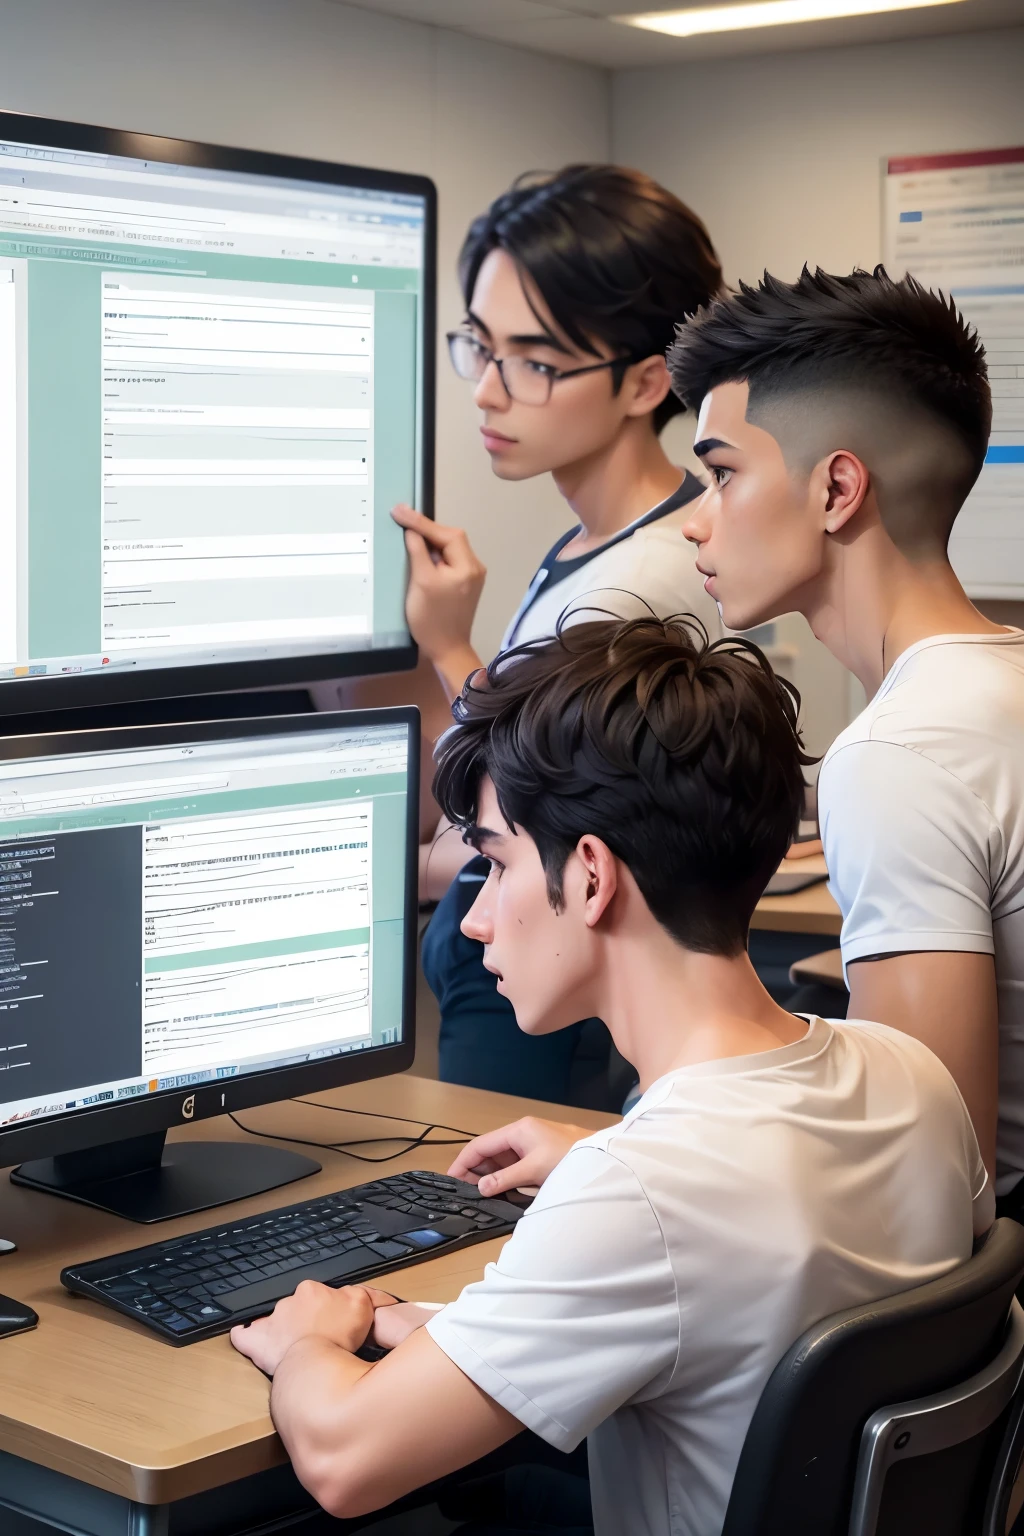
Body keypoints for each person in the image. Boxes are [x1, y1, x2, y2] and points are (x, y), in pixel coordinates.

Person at [230, 616, 991, 1536]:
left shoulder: (638, 1193)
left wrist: (312, 1338)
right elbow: (728, 1304)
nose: (474, 922)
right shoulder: (913, 1078)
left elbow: (346, 1459)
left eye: (495, 863)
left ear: (591, 878)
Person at [668, 264, 1024, 1204]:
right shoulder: (1000, 679)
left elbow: (935, 1182)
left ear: (836, 489)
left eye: (720, 474)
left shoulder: (900, 754)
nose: (695, 524)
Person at [395, 164, 725, 1103]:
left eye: (534, 362)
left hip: (542, 990)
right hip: (508, 959)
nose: (488, 393)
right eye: (479, 346)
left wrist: (452, 648)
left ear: (646, 381)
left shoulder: (644, 576)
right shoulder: (604, 537)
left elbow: (537, 793)